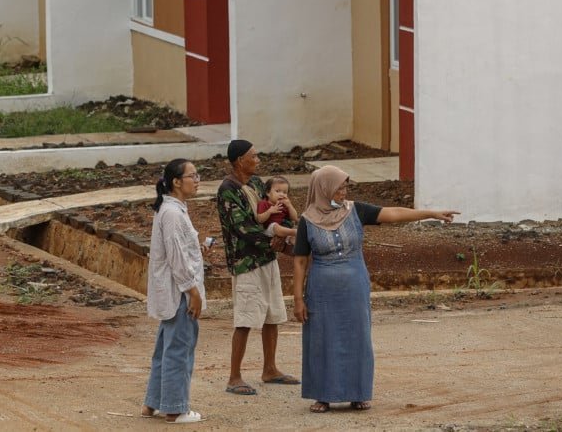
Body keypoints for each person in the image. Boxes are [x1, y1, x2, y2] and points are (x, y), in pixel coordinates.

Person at [293, 165, 459, 413]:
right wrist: (298, 299)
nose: (343, 192)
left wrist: (431, 213)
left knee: (357, 336)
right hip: (322, 291)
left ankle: (358, 393)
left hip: (354, 287)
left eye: (345, 187)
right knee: (322, 338)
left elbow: (393, 213)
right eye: (339, 188)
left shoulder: (355, 210)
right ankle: (323, 396)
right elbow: (300, 261)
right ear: (323, 189)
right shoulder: (307, 221)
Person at [216, 140, 299, 396]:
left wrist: (280, 238)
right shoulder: (228, 190)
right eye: (253, 156)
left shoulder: (255, 183)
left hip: (266, 259)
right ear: (240, 160)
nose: (258, 160)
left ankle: (270, 369)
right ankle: (234, 376)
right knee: (245, 320)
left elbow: (275, 213)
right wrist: (276, 243)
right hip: (246, 262)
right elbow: (242, 228)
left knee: (272, 315)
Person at [141, 158, 207, 423]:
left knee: (165, 349)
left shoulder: (173, 210)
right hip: (179, 292)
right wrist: (193, 291)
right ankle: (175, 409)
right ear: (177, 182)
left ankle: (153, 403)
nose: (197, 180)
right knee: (179, 350)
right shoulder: (172, 213)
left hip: (174, 290)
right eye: (193, 176)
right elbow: (176, 257)